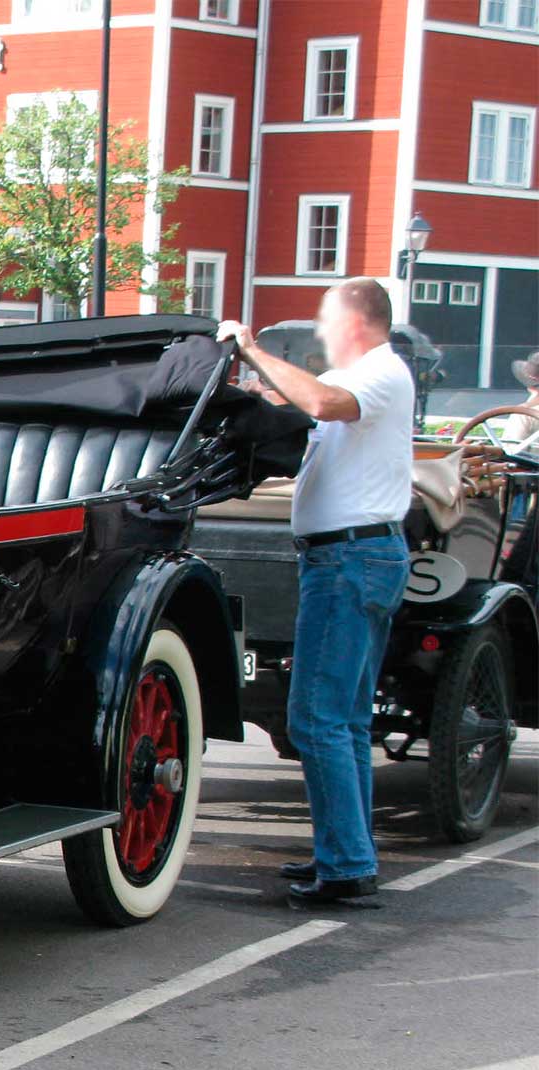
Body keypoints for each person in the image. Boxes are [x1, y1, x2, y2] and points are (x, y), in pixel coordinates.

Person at [219, 279, 413, 904]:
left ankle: (347, 864)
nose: (322, 333)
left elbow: (326, 404)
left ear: (357, 320)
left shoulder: (380, 373)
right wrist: (259, 391)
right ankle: (348, 854)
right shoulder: (375, 377)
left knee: (317, 717)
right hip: (356, 555)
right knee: (347, 720)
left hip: (349, 558)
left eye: (328, 320)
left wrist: (250, 349)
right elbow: (313, 404)